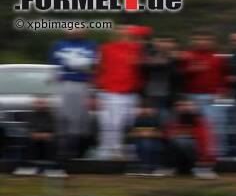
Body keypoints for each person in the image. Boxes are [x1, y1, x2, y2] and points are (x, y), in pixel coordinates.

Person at [94, 25, 144, 159]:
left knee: (125, 123)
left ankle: (123, 151)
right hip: (109, 91)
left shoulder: (137, 49)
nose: (122, 34)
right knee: (109, 123)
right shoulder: (105, 48)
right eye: (119, 32)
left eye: (125, 32)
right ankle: (108, 151)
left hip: (129, 93)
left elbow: (146, 31)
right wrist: (96, 92)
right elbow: (98, 70)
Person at [48, 27, 98, 160]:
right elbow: (54, 66)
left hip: (83, 85)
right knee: (64, 118)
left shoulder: (91, 45)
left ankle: (78, 152)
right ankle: (62, 151)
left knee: (81, 120)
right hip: (65, 84)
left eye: (80, 29)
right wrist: (54, 78)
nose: (76, 32)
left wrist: (93, 89)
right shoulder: (58, 45)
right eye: (73, 29)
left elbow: (94, 67)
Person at [181, 31, 227, 155]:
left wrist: (223, 92)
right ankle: (193, 153)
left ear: (212, 41)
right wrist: (190, 70)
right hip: (191, 97)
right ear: (194, 40)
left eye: (207, 39)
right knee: (191, 127)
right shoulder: (187, 56)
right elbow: (179, 76)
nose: (203, 42)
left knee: (218, 125)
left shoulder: (218, 57)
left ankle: (218, 154)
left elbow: (224, 76)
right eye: (200, 39)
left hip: (215, 97)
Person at [165, 99, 216, 177]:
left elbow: (207, 142)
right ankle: (173, 167)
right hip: (178, 156)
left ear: (195, 107)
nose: (185, 107)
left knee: (183, 142)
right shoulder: (173, 120)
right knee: (175, 142)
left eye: (189, 105)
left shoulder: (201, 122)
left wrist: (206, 159)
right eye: (181, 105)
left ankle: (197, 168)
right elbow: (168, 136)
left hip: (196, 156)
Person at [13, 98, 61, 176]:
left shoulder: (51, 116)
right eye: (39, 103)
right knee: (28, 141)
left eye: (42, 103)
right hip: (34, 137)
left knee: (52, 142)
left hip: (48, 137)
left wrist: (45, 135)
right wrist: (37, 135)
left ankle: (51, 168)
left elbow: (54, 129)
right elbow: (29, 129)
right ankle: (28, 167)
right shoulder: (31, 116)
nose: (40, 105)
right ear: (35, 105)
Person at [141, 35, 180, 124]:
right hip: (150, 97)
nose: (164, 44)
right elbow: (144, 68)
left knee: (168, 124)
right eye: (161, 41)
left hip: (169, 99)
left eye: (168, 42)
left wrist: (171, 60)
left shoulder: (178, 58)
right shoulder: (148, 55)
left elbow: (179, 77)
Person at [127, 104, 165, 175]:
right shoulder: (137, 120)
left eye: (148, 108)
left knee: (151, 145)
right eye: (143, 108)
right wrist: (141, 134)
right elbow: (131, 134)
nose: (146, 110)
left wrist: (149, 134)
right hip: (139, 141)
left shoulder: (157, 120)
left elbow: (161, 134)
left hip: (155, 141)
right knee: (145, 144)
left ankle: (151, 167)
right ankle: (146, 167)